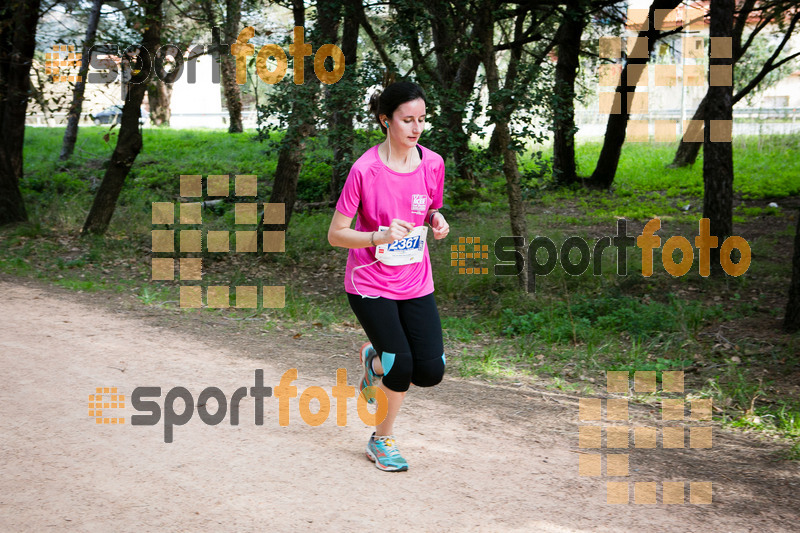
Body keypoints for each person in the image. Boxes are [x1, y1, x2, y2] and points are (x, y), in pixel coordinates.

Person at [327, 81, 450, 472]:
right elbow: (335, 234)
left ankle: (374, 362)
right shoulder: (365, 170)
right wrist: (377, 236)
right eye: (407, 120)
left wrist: (437, 218)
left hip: (415, 280)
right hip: (369, 284)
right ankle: (381, 440)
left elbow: (430, 208)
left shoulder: (432, 163)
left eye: (422, 120)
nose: (416, 128)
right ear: (386, 120)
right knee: (402, 367)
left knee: (430, 371)